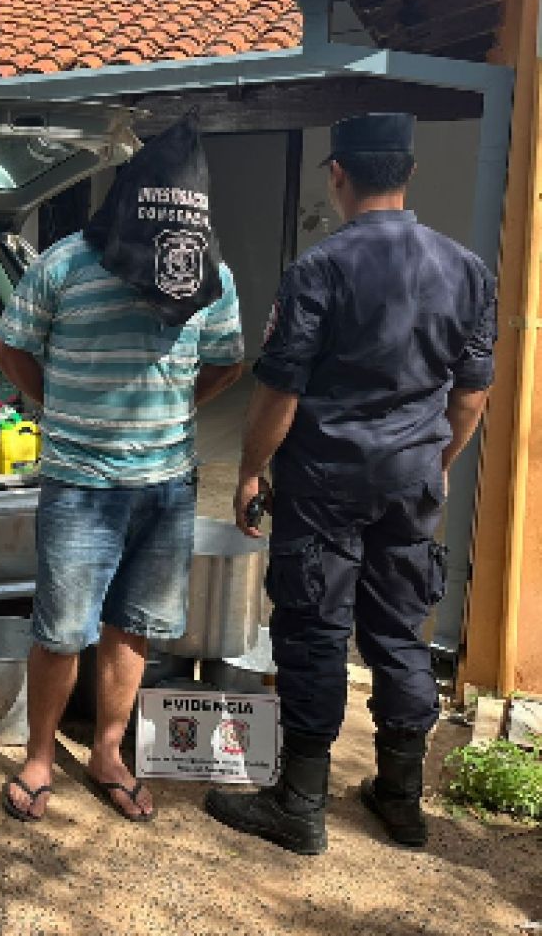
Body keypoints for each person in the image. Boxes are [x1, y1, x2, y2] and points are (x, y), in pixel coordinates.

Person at [205, 113, 497, 855]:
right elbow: (471, 395)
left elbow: (280, 393)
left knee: (314, 630)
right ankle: (401, 800)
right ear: (408, 173)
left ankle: (299, 802)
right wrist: (436, 460)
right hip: (411, 482)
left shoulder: (319, 270)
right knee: (401, 632)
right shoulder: (467, 270)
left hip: (326, 482)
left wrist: (247, 471)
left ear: (336, 173)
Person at [0, 214, 245, 823]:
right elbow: (9, 348)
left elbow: (228, 360)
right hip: (80, 483)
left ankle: (107, 753)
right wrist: (61, 403)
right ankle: (39, 758)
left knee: (133, 624)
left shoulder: (206, 268)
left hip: (166, 486)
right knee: (60, 630)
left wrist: (176, 408)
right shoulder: (65, 262)